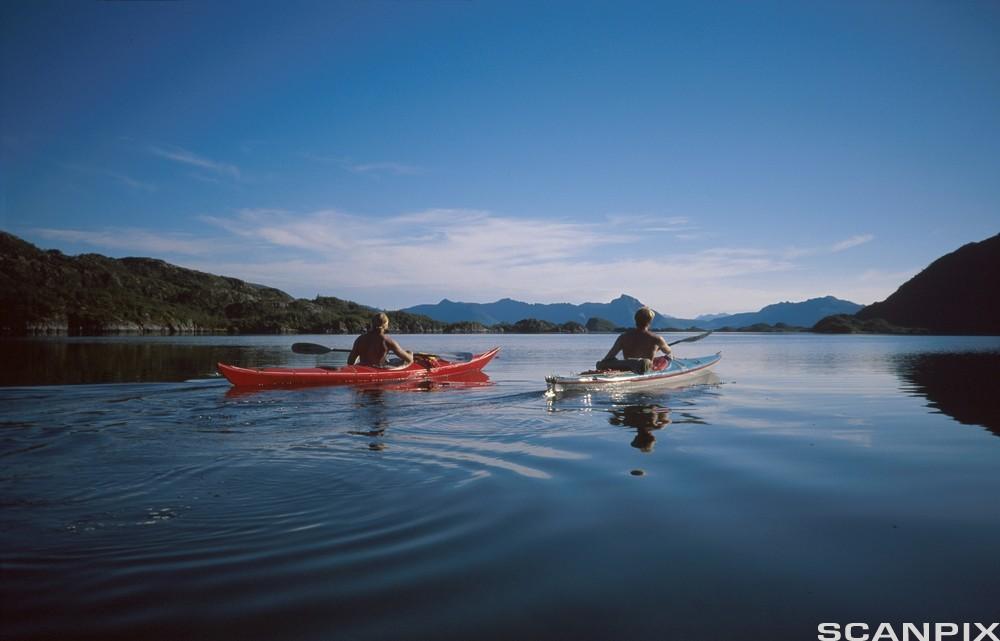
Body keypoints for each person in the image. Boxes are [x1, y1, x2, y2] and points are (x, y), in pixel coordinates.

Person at [596, 307, 672, 374]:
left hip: (627, 368)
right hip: (645, 369)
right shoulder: (657, 339)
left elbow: (609, 356)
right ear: (650, 321)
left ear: (635, 320)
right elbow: (668, 351)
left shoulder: (623, 337)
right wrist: (656, 349)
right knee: (667, 358)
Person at [348, 312, 414, 369]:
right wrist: (410, 354)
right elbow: (409, 360)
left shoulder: (360, 339)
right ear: (386, 325)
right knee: (404, 359)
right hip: (377, 370)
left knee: (390, 361)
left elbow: (350, 362)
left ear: (372, 324)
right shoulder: (388, 341)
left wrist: (359, 355)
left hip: (362, 368)